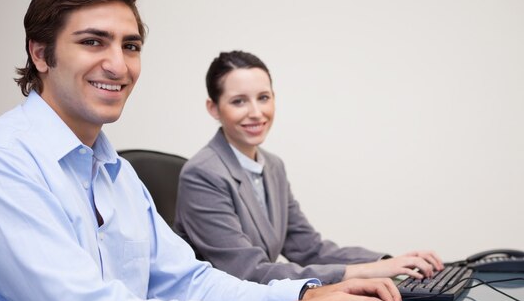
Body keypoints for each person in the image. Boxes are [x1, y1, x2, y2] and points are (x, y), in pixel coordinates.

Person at [0, 0, 408, 301]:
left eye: (131, 46)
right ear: (40, 53)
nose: (118, 65)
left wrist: (307, 296)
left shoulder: (114, 170)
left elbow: (188, 281)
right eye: (94, 42)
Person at [174, 50, 445, 285]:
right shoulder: (203, 174)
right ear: (213, 108)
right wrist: (366, 272)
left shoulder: (273, 167)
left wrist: (390, 262)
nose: (256, 112)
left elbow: (310, 249)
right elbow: (248, 272)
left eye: (264, 97)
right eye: (239, 101)